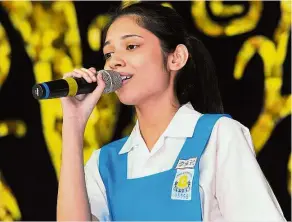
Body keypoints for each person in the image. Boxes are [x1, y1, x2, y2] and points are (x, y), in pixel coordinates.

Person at [56, 2, 286, 221]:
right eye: (108, 54)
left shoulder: (218, 136)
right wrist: (73, 124)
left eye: (131, 46)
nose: (114, 62)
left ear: (176, 58)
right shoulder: (104, 163)